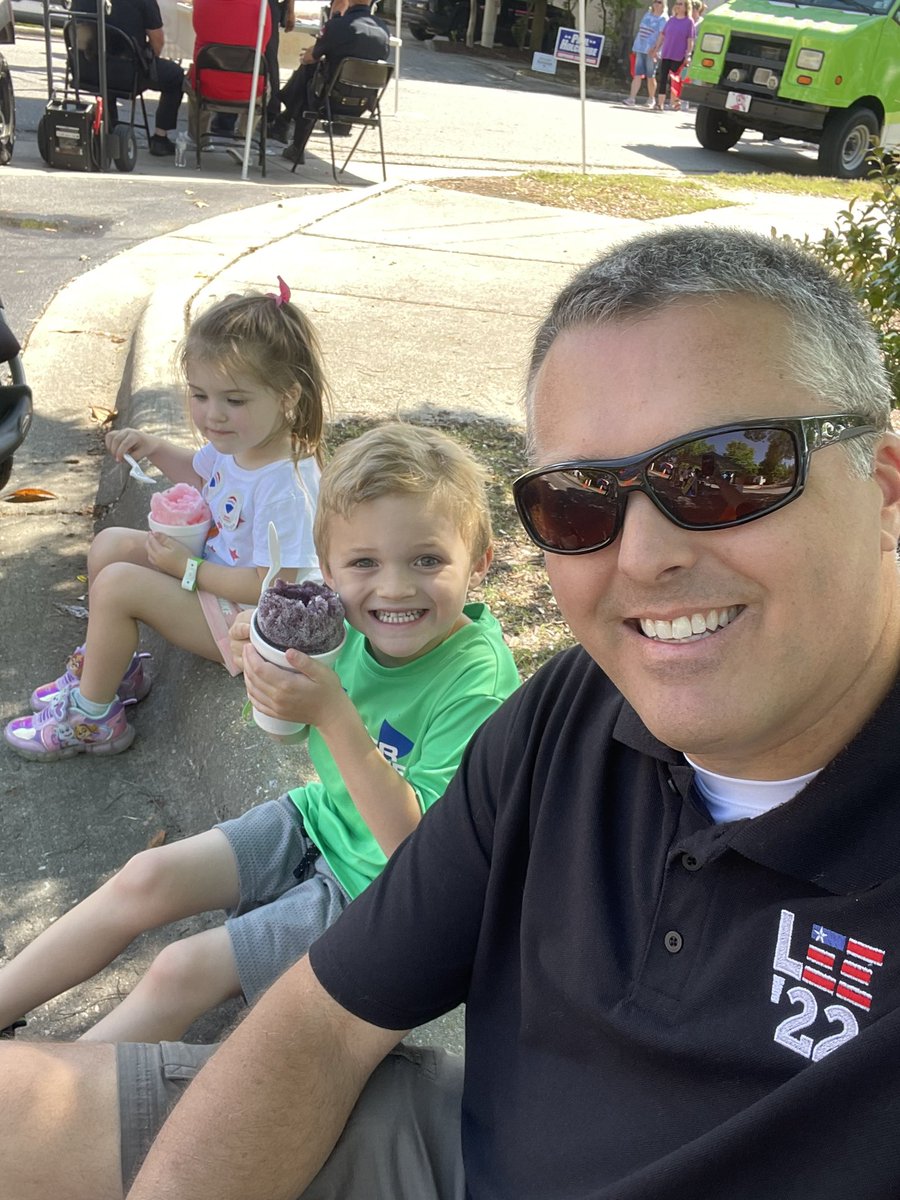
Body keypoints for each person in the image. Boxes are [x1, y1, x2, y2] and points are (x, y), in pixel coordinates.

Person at [5, 225, 900, 1200]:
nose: (644, 557)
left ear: (886, 488)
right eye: (579, 501)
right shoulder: (570, 714)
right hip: (460, 1150)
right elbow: (326, 1020)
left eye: (724, 474)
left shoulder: (483, 682)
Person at [0, 422, 518, 1045]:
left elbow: (416, 853)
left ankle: (36, 1098)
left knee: (180, 969)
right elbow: (288, 737)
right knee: (145, 876)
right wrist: (267, 669)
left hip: (382, 896)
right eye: (364, 562)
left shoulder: (479, 684)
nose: (395, 587)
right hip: (320, 821)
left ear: (479, 562)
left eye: (427, 560)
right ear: (328, 571)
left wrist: (333, 714)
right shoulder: (342, 623)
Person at [3, 283, 325, 762]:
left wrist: (187, 569)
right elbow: (201, 473)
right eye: (199, 394)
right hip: (219, 590)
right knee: (111, 544)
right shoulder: (239, 444)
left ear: (287, 397)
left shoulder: (287, 486)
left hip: (255, 630)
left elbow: (271, 587)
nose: (213, 415)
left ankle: (92, 718)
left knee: (118, 585)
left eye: (234, 400)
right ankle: (112, 670)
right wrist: (153, 447)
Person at [279, 0, 389, 166]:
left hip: (329, 101)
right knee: (317, 72)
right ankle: (283, 121)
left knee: (310, 70)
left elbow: (309, 57)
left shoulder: (338, 26)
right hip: (363, 103)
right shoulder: (383, 30)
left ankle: (292, 137)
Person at [70, 0, 186, 155]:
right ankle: (160, 137)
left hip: (86, 70)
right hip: (127, 75)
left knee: (105, 64)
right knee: (176, 75)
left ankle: (109, 125)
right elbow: (157, 42)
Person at [625, 0, 666, 107]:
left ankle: (651, 98)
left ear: (663, 4)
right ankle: (631, 98)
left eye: (659, 2)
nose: (656, 4)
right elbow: (641, 30)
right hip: (640, 47)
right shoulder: (647, 14)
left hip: (651, 51)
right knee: (637, 74)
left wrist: (655, 49)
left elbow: (662, 36)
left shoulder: (663, 19)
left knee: (650, 75)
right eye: (655, 1)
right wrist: (635, 46)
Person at [654, 0, 693, 110]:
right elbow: (662, 35)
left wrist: (688, 54)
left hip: (679, 54)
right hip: (667, 53)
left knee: (675, 80)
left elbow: (690, 40)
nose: (678, 6)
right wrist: (656, 48)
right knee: (663, 78)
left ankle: (675, 102)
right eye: (677, 3)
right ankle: (660, 103)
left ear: (686, 7)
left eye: (681, 4)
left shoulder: (689, 22)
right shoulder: (671, 20)